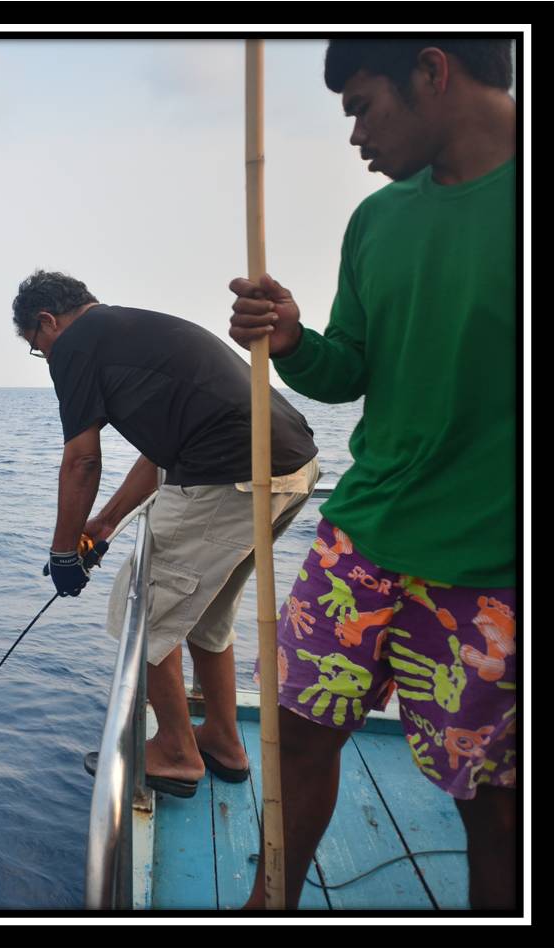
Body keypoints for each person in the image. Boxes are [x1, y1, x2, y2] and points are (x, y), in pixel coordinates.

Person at [227, 38, 517, 910]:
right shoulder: (377, 220)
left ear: (432, 70)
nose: (354, 135)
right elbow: (349, 367)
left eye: (361, 106)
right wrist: (291, 341)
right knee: (297, 741)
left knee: (496, 808)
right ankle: (268, 905)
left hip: (489, 571)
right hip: (360, 541)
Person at [14, 269, 319, 799]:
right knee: (206, 617)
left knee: (139, 613)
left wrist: (64, 554)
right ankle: (223, 740)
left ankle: (177, 753)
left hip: (230, 473)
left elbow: (82, 459)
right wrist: (106, 522)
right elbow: (162, 446)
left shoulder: (77, 346)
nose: (47, 360)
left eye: (38, 348)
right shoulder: (131, 331)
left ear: (47, 321)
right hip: (291, 467)